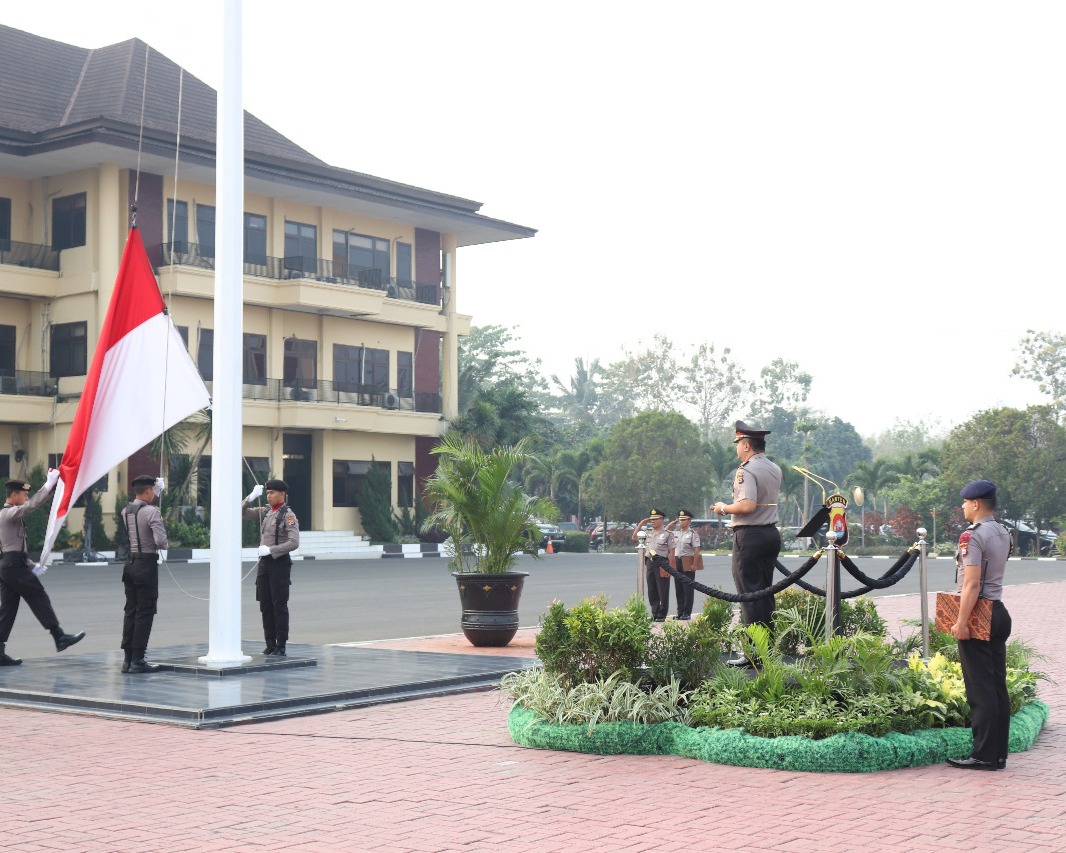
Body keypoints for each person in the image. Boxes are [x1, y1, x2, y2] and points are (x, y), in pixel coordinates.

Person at [947, 479, 1012, 771]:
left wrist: (962, 622)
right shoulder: (1002, 531)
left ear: (975, 504)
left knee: (980, 689)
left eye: (964, 502)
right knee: (997, 686)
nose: (962, 506)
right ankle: (997, 753)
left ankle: (983, 755)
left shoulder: (971, 536)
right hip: (998, 611)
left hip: (979, 614)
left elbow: (972, 583)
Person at [713, 420, 782, 666]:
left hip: (750, 537)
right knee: (765, 592)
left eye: (738, 444)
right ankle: (769, 649)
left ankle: (753, 654)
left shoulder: (746, 471)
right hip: (770, 534)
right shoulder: (774, 468)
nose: (737, 449)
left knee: (749, 595)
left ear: (745, 444)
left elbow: (747, 505)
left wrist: (723, 508)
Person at [0, 473, 85, 665]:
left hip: (10, 566)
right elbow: (29, 508)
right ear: (13, 495)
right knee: (38, 595)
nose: (26, 498)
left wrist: (32, 565)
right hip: (12, 566)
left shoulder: (8, 516)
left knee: (8, 609)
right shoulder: (7, 514)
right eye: (23, 495)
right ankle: (59, 637)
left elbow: (10, 549)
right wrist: (47, 487)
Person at [243, 479, 300, 656]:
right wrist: (250, 497)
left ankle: (281, 644)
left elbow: (294, 542)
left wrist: (271, 550)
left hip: (279, 563)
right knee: (265, 605)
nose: (268, 496)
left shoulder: (288, 515)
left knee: (279, 605)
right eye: (267, 493)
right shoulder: (266, 512)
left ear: (282, 494)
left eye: (272, 493)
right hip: (264, 564)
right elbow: (240, 512)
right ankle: (270, 643)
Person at [119, 475, 168, 673]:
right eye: (153, 491)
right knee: (145, 611)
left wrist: (156, 493)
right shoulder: (152, 512)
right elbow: (161, 541)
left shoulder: (125, 511)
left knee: (130, 610)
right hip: (146, 565)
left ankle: (127, 659)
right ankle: (138, 659)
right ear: (148, 491)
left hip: (130, 564)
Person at [632, 509, 674, 622]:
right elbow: (634, 537)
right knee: (652, 590)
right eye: (651, 519)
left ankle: (662, 614)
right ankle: (655, 612)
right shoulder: (649, 533)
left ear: (662, 520)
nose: (653, 521)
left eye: (655, 519)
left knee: (663, 590)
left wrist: (670, 568)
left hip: (662, 563)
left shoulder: (667, 534)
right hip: (650, 563)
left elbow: (672, 552)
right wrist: (641, 524)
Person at [666, 509, 702, 620]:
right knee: (679, 588)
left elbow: (696, 550)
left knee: (688, 589)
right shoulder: (676, 533)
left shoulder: (693, 534)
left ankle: (687, 613)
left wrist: (695, 564)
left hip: (688, 561)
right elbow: (665, 531)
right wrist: (673, 523)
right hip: (677, 561)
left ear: (689, 521)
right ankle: (680, 612)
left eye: (683, 520)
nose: (681, 522)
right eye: (680, 520)